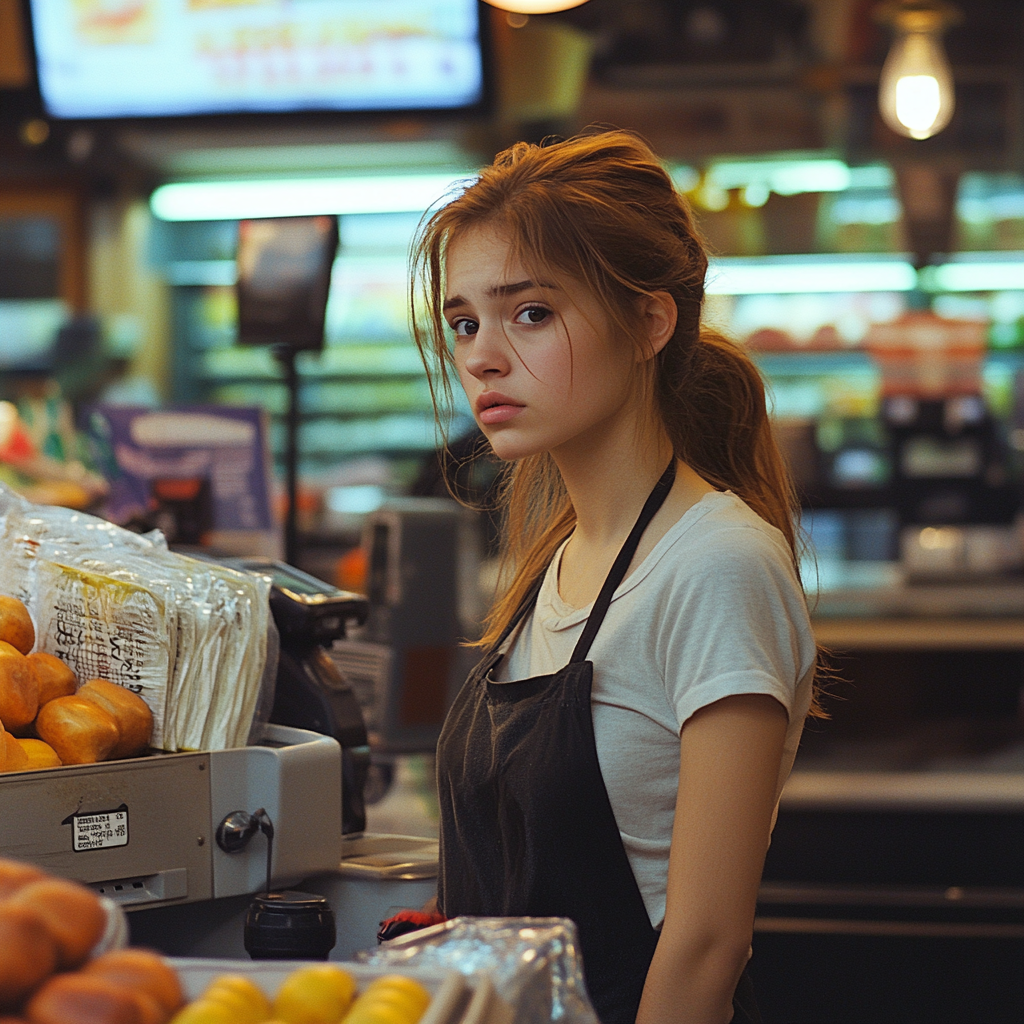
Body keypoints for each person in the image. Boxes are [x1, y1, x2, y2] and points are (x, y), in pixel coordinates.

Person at [409, 131, 821, 1024]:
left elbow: (708, 949)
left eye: (531, 313)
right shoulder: (549, 561)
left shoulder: (716, 566)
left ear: (649, 322)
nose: (480, 356)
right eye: (464, 321)